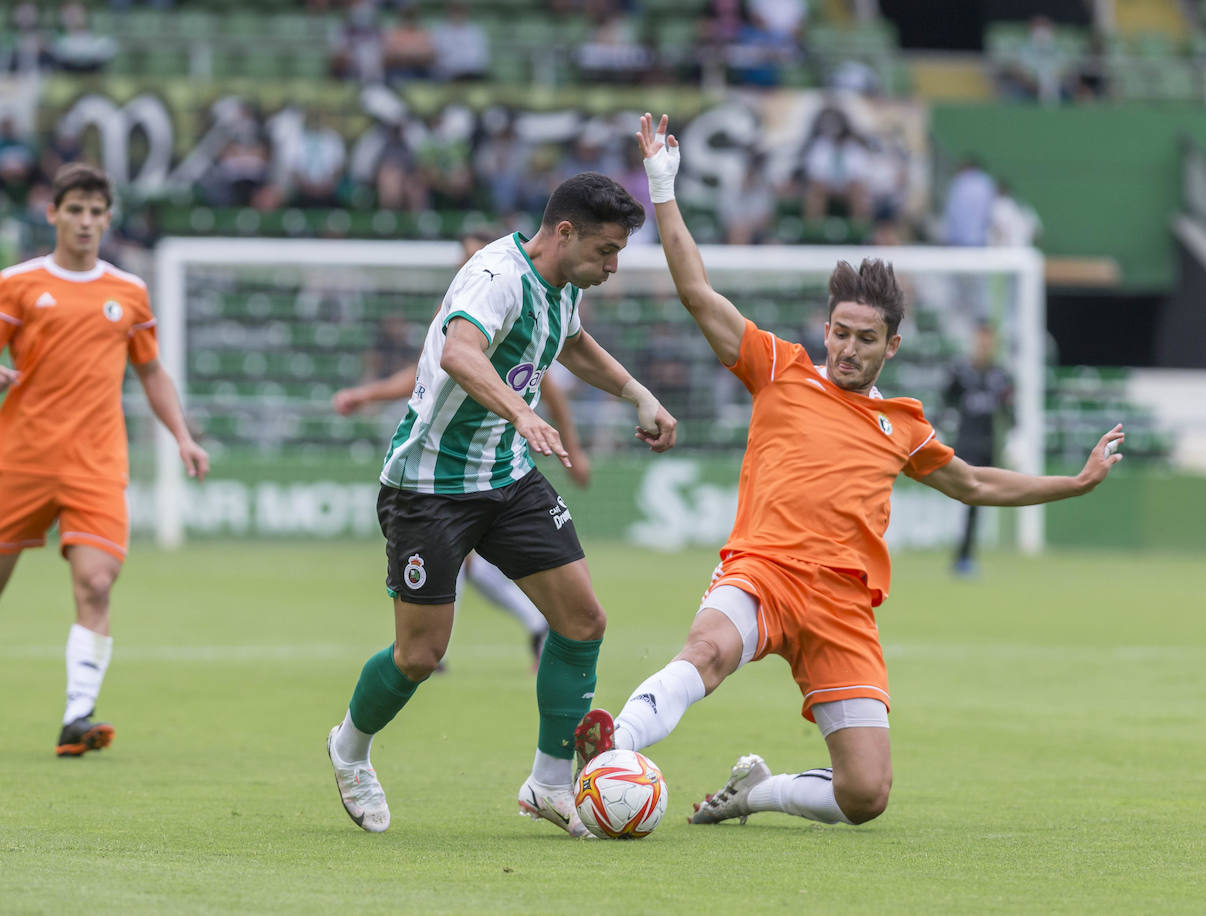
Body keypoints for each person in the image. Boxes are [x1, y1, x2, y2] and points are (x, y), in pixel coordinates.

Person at [570, 114, 1124, 830]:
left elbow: (977, 484)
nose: (849, 349)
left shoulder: (905, 425)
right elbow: (699, 294)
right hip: (763, 570)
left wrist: (1073, 484)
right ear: (825, 326)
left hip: (842, 606)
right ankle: (615, 747)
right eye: (840, 332)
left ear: (892, 344)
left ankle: (757, 792)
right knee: (705, 651)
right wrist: (663, 185)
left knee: (865, 796)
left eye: (867, 339)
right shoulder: (780, 369)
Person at [326, 172, 678, 836]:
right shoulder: (496, 276)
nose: (612, 266)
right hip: (429, 486)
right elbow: (461, 352)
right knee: (420, 656)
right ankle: (348, 748)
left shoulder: (564, 284)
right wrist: (522, 412)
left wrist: (636, 393)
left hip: (507, 479)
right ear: (565, 232)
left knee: (581, 620)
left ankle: (547, 783)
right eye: (607, 251)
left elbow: (571, 344)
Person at [0, 163, 210, 757]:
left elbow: (151, 370)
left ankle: (77, 717)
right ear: (51, 213)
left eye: (96, 212)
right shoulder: (19, 283)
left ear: (108, 219)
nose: (85, 222)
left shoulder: (128, 292)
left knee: (98, 583)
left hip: (97, 465)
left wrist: (182, 435)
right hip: (25, 460)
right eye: (74, 210)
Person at [332, 228, 595, 670]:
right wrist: (368, 395)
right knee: (458, 570)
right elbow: (428, 370)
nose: (471, 264)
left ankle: (524, 628)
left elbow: (548, 387)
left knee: (467, 568)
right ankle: (475, 640)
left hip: (490, 464)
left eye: (475, 255)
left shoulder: (513, 302)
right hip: (445, 462)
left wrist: (573, 447)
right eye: (464, 256)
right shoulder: (461, 305)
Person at [944, 322, 1013, 576]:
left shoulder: (1001, 376)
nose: (984, 345)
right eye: (980, 340)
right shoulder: (960, 372)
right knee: (967, 500)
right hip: (964, 445)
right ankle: (962, 556)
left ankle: (964, 556)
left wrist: (1016, 437)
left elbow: (1009, 410)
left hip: (987, 446)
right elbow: (946, 402)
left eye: (988, 340)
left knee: (976, 505)